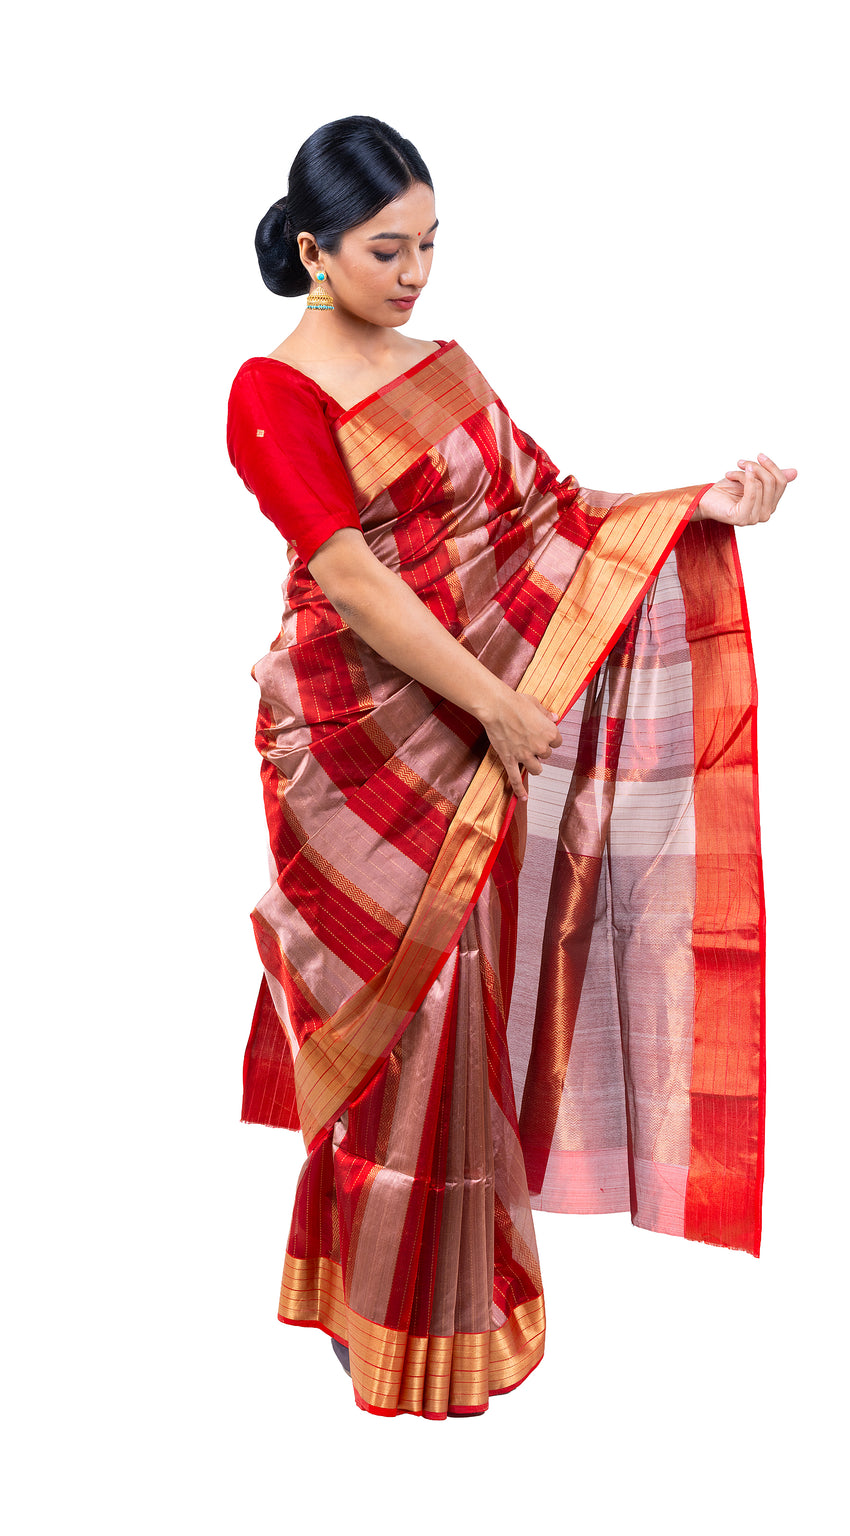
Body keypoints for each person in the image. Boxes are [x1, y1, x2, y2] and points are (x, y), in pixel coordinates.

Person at [225, 115, 795, 1421]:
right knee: (394, 1022)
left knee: (460, 1015)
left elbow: (549, 511)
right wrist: (494, 706)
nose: (417, 273)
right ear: (315, 251)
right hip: (359, 753)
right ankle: (375, 1310)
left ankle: (436, 1295)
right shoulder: (273, 393)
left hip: (470, 741)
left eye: (431, 244)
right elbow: (352, 579)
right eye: (387, 249)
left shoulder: (445, 367)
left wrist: (698, 504)